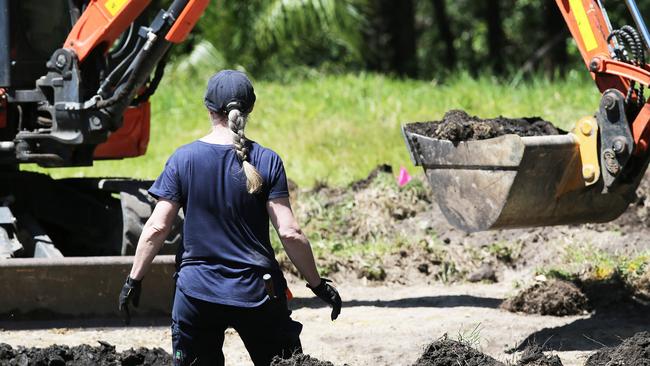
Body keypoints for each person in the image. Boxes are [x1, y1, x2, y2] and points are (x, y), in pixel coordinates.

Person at [118, 70, 342, 366]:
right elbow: (290, 232)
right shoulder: (266, 159)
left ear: (208, 108)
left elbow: (157, 227)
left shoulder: (183, 159)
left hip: (196, 292)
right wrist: (317, 284)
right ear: (249, 109)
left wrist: (134, 279)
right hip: (258, 291)